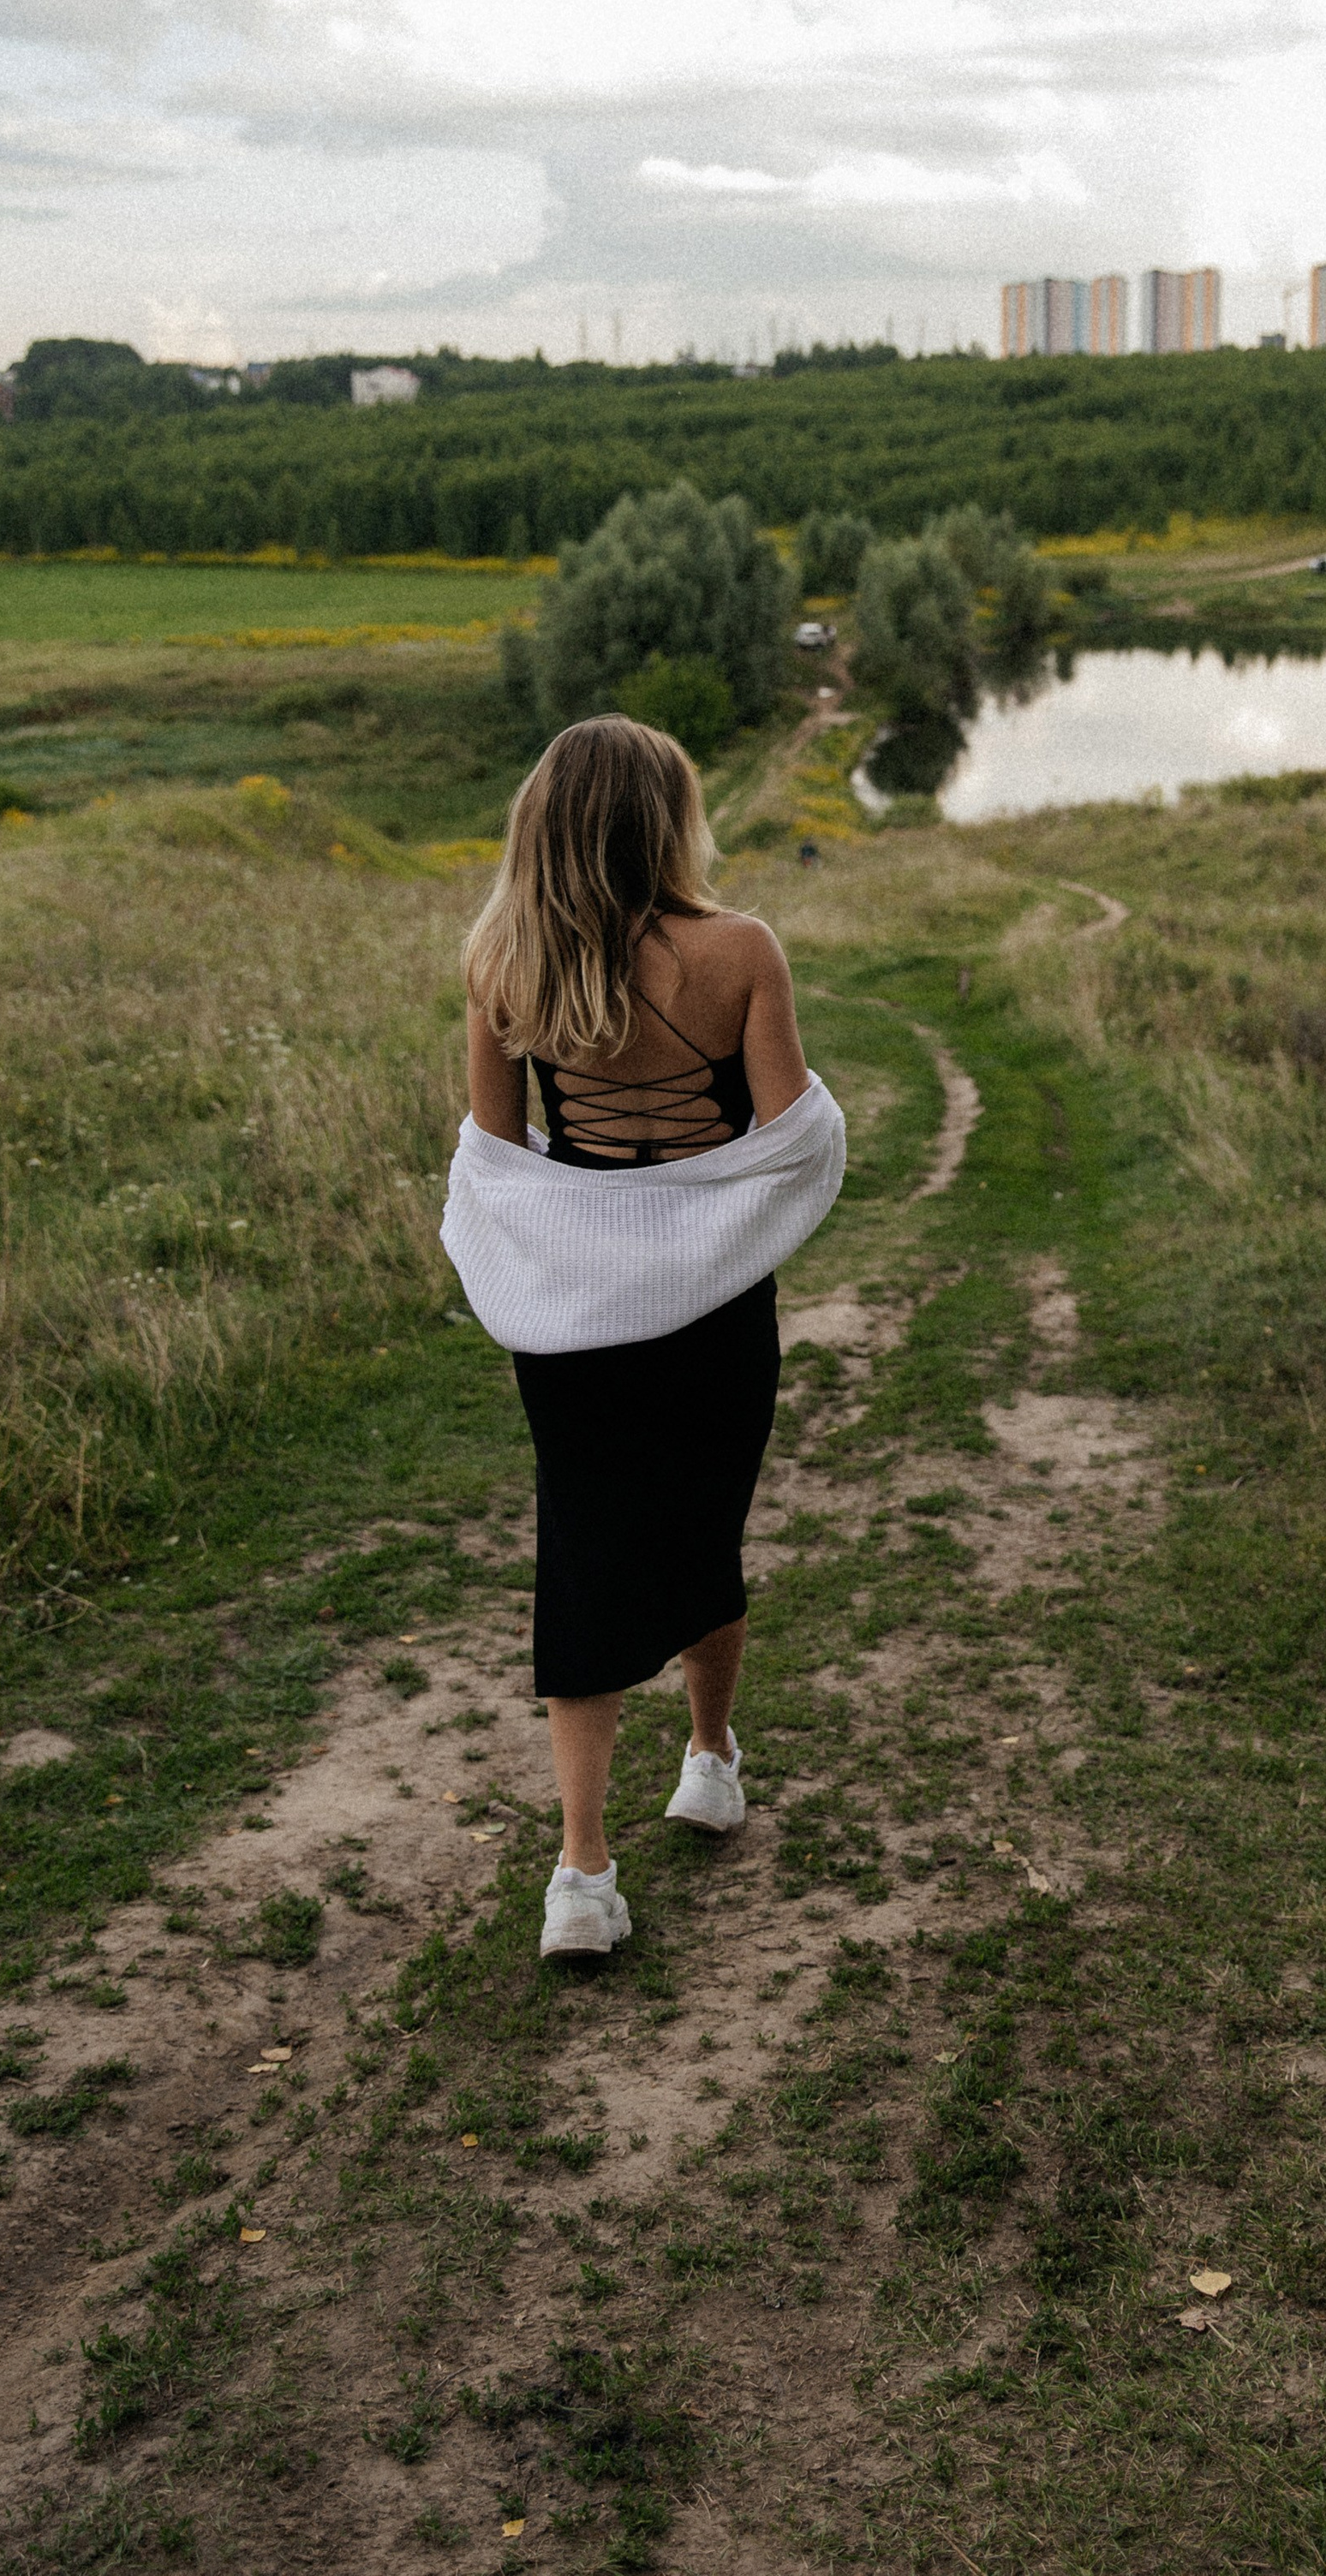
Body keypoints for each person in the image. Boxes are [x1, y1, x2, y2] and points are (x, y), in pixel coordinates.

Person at [445, 716, 845, 1959]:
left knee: (585, 1549)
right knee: (702, 1523)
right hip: (713, 1306)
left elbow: (498, 1158)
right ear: (665, 820)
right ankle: (710, 1761)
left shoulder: (501, 961)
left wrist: (560, 1263)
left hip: (571, 1318)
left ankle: (581, 1874)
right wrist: (700, 1219)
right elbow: (788, 1141)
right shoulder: (739, 952)